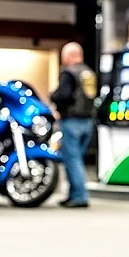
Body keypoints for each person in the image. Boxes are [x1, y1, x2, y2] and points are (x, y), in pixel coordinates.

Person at [49, 42, 97, 208]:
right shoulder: (89, 73)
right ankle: (73, 194)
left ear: (69, 56)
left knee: (72, 160)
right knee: (78, 160)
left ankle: (79, 196)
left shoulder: (69, 73)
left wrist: (52, 97)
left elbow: (62, 95)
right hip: (88, 122)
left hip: (72, 122)